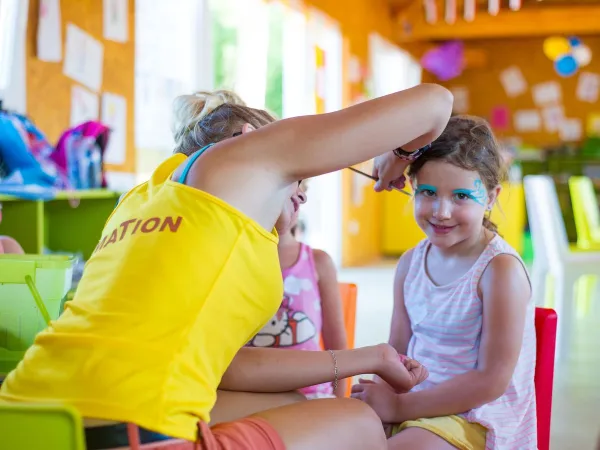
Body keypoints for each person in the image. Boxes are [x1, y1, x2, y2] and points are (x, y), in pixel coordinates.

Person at [0, 86, 453, 450]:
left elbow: (222, 367)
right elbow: (435, 102)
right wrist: (401, 154)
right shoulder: (240, 161)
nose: (302, 184)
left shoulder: (142, 198)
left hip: (25, 416)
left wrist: (369, 357)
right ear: (242, 142)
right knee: (358, 423)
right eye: (295, 174)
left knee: (290, 405)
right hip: (127, 428)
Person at [351, 116, 536, 450]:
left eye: (461, 196)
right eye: (428, 192)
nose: (442, 211)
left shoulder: (499, 270)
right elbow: (398, 348)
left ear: (491, 197)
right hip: (417, 405)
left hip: (477, 417)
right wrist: (379, 399)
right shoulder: (409, 264)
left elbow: (491, 381)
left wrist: (396, 407)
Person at [247, 179, 348, 399]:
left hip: (311, 394)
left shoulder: (318, 262)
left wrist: (340, 403)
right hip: (249, 394)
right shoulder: (237, 260)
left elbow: (338, 347)